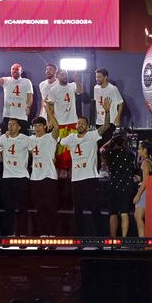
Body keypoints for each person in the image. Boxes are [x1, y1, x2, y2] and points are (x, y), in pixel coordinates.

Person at [50, 101, 113, 237]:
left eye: (83, 123)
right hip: (76, 180)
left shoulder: (92, 135)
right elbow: (57, 140)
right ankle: (80, 239)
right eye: (78, 123)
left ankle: (99, 239)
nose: (80, 125)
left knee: (94, 210)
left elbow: (106, 126)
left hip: (90, 178)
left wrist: (107, 111)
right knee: (77, 211)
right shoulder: (71, 138)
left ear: (87, 126)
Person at [0, 118, 32, 235]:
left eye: (13, 124)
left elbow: (34, 151)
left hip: (22, 177)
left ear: (19, 127)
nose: (10, 126)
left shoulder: (25, 139)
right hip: (7, 177)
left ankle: (22, 234)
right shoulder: (3, 138)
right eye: (9, 124)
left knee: (23, 208)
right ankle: (9, 234)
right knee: (8, 208)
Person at [28, 116, 60, 236]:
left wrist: (50, 113)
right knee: (40, 208)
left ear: (45, 126)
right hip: (35, 178)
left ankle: (52, 234)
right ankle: (43, 234)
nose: (37, 128)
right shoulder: (30, 139)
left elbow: (57, 128)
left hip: (49, 176)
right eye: (35, 126)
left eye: (40, 125)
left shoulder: (50, 137)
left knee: (51, 207)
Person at [102, 134, 137, 238]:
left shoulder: (109, 153)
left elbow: (101, 149)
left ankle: (113, 239)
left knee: (113, 213)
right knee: (124, 211)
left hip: (113, 185)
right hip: (125, 186)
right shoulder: (130, 155)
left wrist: (110, 141)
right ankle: (124, 238)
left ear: (113, 143)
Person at [0, 63, 34, 132]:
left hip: (22, 116)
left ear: (21, 71)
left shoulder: (26, 82)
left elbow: (30, 96)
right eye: (13, 69)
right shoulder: (7, 80)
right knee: (5, 139)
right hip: (8, 115)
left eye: (17, 69)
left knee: (22, 139)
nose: (14, 71)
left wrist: (28, 106)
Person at [133, 140, 152, 237]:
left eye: (139, 149)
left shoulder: (145, 163)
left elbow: (146, 181)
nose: (138, 151)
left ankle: (142, 242)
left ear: (145, 150)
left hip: (144, 192)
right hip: (151, 192)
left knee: (138, 217)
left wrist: (138, 195)